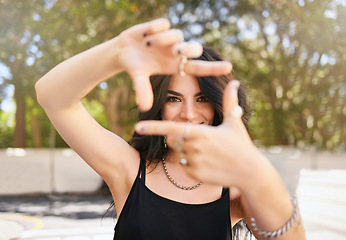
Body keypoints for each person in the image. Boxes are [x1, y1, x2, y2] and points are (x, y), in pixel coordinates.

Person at [35, 18, 306, 239]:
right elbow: (52, 97)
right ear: (159, 106)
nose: (188, 114)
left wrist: (254, 170)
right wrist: (116, 53)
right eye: (174, 98)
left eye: (202, 99)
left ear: (218, 106)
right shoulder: (129, 169)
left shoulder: (236, 189)